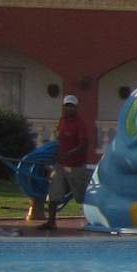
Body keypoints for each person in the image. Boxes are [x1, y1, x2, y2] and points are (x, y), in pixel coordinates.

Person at [43, 95, 93, 229]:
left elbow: (84, 144)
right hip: (60, 165)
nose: (69, 108)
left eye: (72, 106)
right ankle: (51, 222)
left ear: (76, 108)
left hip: (76, 166)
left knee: (82, 195)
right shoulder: (62, 121)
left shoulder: (80, 124)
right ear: (63, 107)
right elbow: (58, 139)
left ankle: (92, 221)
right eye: (67, 106)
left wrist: (70, 154)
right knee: (54, 192)